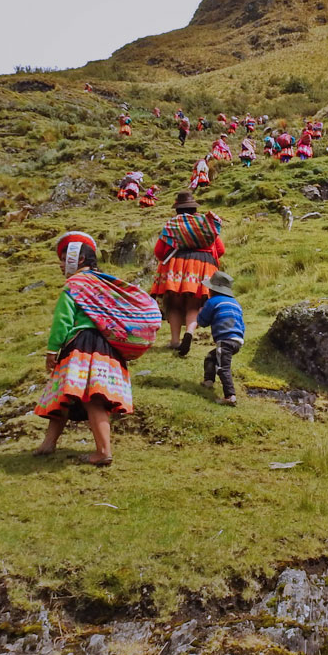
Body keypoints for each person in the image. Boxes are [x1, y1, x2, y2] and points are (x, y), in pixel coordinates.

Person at [34, 233, 144, 466]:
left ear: (79, 258)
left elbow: (63, 320)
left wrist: (52, 350)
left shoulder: (75, 284)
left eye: (65, 258)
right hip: (108, 347)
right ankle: (48, 443)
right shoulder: (105, 283)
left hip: (83, 345)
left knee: (92, 398)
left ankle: (103, 451)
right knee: (64, 393)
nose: (61, 264)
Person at [151, 192, 224, 356]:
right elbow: (220, 250)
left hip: (176, 264)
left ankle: (175, 341)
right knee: (194, 304)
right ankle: (190, 332)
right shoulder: (206, 224)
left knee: (175, 305)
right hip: (203, 265)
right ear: (194, 208)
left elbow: (159, 251)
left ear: (177, 208)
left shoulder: (172, 224)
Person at [196, 271, 244, 407]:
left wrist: (200, 313)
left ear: (212, 290)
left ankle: (230, 396)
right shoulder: (235, 303)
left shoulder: (212, 302)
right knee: (211, 357)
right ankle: (208, 381)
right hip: (237, 340)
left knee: (223, 367)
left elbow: (203, 321)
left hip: (225, 340)